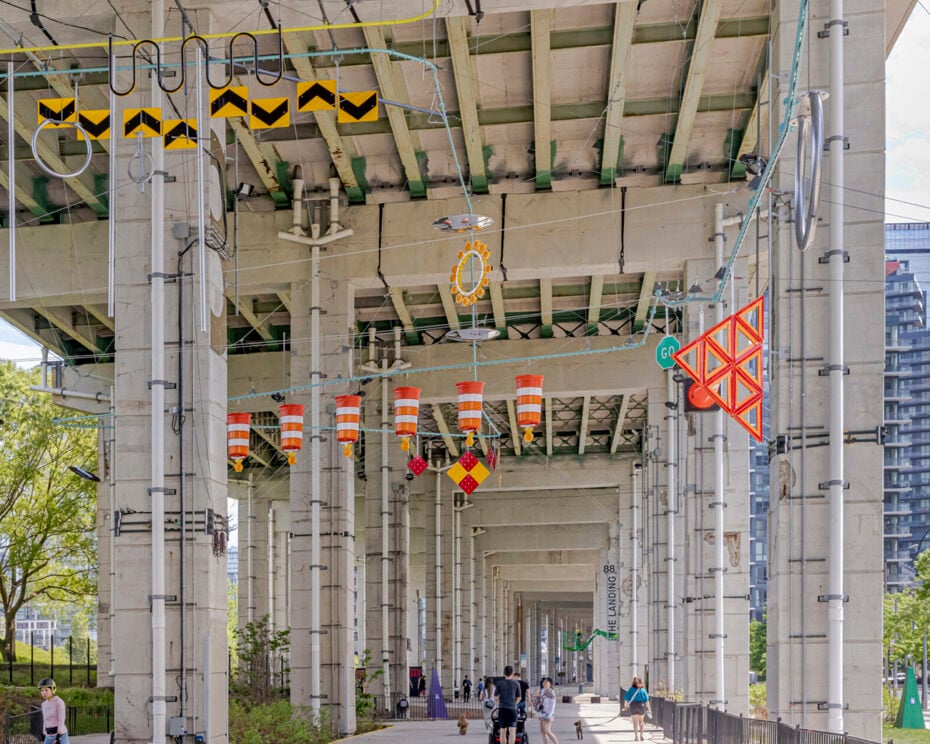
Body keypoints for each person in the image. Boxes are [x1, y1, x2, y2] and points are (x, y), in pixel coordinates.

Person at [494, 665, 522, 744]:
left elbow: (495, 697)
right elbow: (519, 698)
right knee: (512, 731)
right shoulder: (516, 683)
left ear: (504, 673)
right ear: (512, 673)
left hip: (502, 709)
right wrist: (513, 703)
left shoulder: (499, 683)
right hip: (512, 709)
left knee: (503, 730)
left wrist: (501, 700)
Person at [38, 678, 68, 744]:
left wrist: (58, 737)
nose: (44, 693)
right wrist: (43, 736)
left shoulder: (59, 702)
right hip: (49, 736)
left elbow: (61, 721)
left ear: (53, 689)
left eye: (46, 690)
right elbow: (45, 721)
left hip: (60, 735)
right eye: (42, 690)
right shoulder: (43, 704)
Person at [623, 676, 652, 741]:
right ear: (641, 682)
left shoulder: (631, 689)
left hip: (633, 706)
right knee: (641, 722)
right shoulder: (643, 690)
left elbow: (626, 699)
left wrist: (625, 706)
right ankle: (641, 735)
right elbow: (646, 701)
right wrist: (650, 710)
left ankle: (636, 736)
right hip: (641, 706)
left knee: (635, 722)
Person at [537, 676, 559, 744]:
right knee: (542, 732)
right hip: (542, 713)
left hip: (548, 714)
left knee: (547, 731)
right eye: (544, 681)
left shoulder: (551, 692)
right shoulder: (542, 690)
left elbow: (553, 705)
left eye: (546, 682)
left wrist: (549, 715)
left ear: (550, 683)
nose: (544, 683)